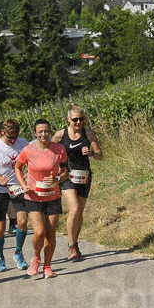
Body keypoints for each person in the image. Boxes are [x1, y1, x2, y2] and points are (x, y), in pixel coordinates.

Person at [14, 119, 68, 279]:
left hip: (53, 196)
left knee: (51, 233)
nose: (43, 134)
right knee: (39, 231)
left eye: (46, 131)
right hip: (33, 197)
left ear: (50, 132)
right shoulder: (28, 150)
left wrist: (58, 178)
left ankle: (47, 267)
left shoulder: (59, 149)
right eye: (40, 132)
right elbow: (18, 167)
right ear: (35, 133)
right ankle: (36, 258)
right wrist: (23, 184)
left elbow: (65, 170)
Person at [52, 104, 103, 261]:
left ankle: (75, 243)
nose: (79, 122)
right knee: (74, 209)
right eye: (75, 119)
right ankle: (71, 246)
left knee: (79, 212)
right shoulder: (60, 135)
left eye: (82, 119)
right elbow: (50, 153)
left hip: (84, 176)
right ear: (68, 119)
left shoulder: (89, 134)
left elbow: (100, 155)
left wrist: (91, 153)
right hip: (67, 176)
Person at [0, 119, 30, 273]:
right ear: (3, 132)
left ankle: (18, 253)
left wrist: (28, 174)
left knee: (22, 222)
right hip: (0, 190)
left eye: (15, 136)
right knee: (0, 227)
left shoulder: (23, 143)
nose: (13, 140)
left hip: (18, 189)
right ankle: (0, 257)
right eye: (10, 137)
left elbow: (31, 161)